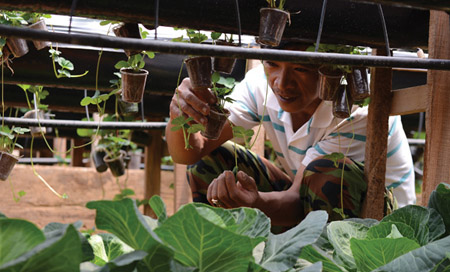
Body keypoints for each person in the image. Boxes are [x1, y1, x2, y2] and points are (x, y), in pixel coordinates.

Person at [165, 41, 415, 227]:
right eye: (272, 63)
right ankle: (241, 271)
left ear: (333, 70)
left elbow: (297, 201)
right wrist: (182, 112)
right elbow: (189, 153)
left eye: (301, 69)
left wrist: (255, 203)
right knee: (209, 162)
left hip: (383, 225)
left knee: (326, 171)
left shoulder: (357, 108)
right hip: (308, 201)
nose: (282, 83)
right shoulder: (259, 87)